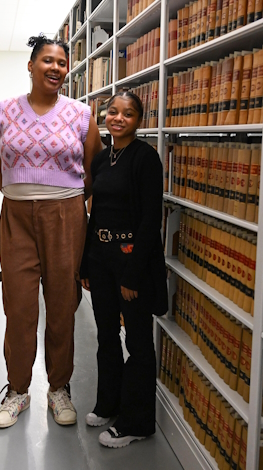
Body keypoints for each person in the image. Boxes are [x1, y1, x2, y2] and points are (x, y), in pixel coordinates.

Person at [0, 34, 103, 429]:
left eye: (62, 63)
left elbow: (93, 171)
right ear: (32, 65)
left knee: (61, 304)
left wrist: (64, 201)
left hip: (65, 216)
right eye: (48, 61)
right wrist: (24, 193)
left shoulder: (80, 114)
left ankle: (59, 388)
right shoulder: (3, 110)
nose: (56, 68)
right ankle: (18, 390)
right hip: (16, 217)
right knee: (18, 306)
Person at [79, 91, 168, 448]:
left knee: (138, 342)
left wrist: (132, 275)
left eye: (127, 114)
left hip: (132, 260)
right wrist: (86, 262)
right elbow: (94, 213)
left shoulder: (146, 158)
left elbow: (150, 220)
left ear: (138, 120)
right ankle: (108, 404)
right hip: (101, 258)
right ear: (104, 116)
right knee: (105, 335)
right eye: (112, 112)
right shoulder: (102, 160)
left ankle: (137, 422)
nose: (118, 118)